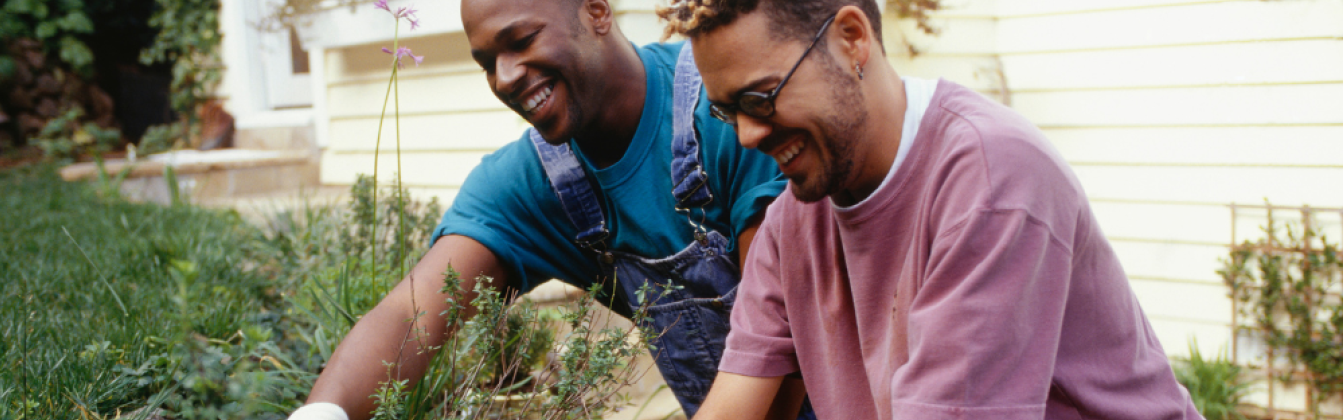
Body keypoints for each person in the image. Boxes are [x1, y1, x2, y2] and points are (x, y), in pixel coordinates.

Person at [658, 0, 1207, 418]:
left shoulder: (991, 177)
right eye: (730, 113)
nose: (749, 136)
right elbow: (736, 400)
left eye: (761, 98)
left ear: (852, 40)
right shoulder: (792, 222)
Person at [288, 0, 817, 419]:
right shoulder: (531, 184)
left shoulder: (730, 114)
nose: (504, 77)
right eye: (485, 63)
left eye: (520, 41)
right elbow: (410, 313)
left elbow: (776, 341)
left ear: (596, 10)